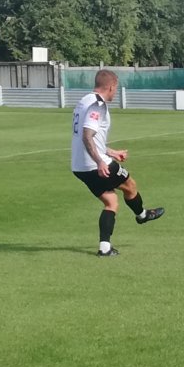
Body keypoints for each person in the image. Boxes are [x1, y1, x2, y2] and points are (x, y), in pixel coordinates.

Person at [70, 70, 163, 257]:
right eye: (116, 89)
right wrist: (100, 161)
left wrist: (112, 152)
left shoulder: (84, 101)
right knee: (130, 185)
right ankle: (142, 215)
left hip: (79, 166)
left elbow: (91, 139)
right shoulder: (98, 105)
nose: (116, 92)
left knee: (111, 201)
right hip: (94, 163)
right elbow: (87, 136)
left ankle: (105, 247)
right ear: (111, 86)